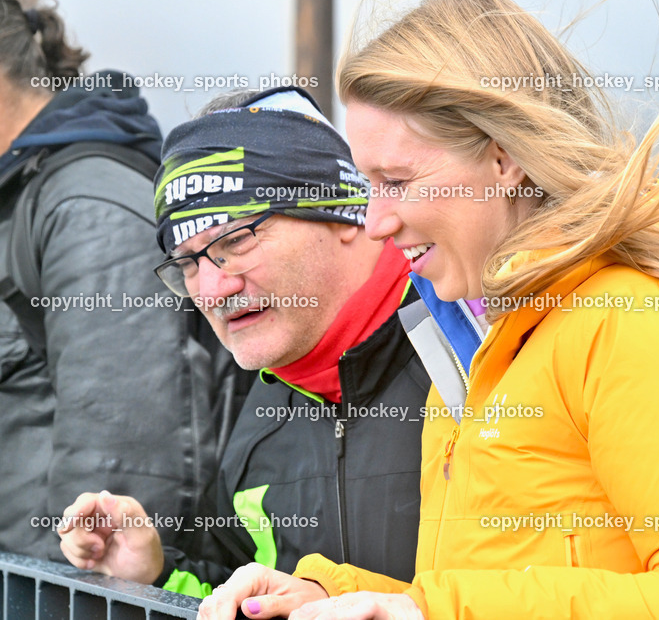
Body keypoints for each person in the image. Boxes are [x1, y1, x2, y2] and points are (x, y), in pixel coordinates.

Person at [198, 0, 659, 619]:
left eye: (395, 181)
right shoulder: (474, 342)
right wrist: (334, 595)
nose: (375, 221)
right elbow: (491, 583)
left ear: (504, 160)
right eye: (368, 185)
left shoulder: (641, 322)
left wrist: (430, 611)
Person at [56, 87, 432, 597]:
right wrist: (155, 577)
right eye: (188, 264)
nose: (212, 290)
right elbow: (245, 593)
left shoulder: (472, 350)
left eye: (235, 241)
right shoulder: (261, 410)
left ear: (342, 213)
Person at [0, 0, 228, 561]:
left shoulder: (87, 205)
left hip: (49, 588)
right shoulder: (26, 193)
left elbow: (124, 469)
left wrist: (66, 592)